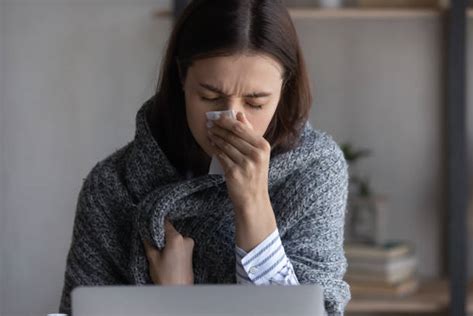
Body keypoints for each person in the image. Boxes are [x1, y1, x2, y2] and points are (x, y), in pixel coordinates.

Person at [58, 0, 351, 315]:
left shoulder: (316, 172)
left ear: (284, 89)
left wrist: (253, 204)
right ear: (182, 78)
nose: (231, 121)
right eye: (210, 97)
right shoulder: (112, 188)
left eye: (255, 103)